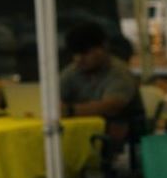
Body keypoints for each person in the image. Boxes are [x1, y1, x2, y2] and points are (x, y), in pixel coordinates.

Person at [59, 21, 145, 159]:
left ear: (104, 47)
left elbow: (112, 106)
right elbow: (56, 101)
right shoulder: (71, 72)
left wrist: (70, 111)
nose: (79, 59)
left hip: (121, 140)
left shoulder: (119, 72)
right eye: (75, 54)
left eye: (85, 53)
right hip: (82, 136)